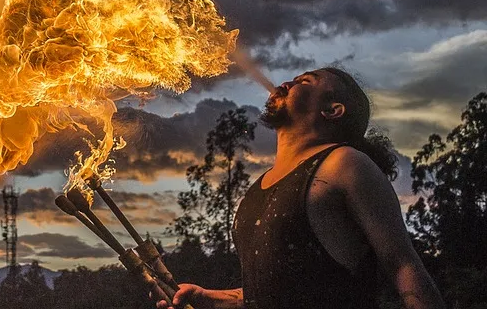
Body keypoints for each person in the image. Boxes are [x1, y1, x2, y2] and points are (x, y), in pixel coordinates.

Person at [155, 67, 444, 309]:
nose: (286, 83)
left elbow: (403, 267)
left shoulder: (344, 163)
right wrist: (208, 298)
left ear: (332, 110)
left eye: (304, 81)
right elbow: (274, 293)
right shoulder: (261, 186)